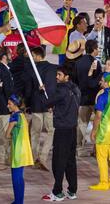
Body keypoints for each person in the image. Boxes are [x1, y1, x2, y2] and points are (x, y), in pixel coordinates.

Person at [39, 65, 80, 202]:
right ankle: (72, 190)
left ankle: (57, 192)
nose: (57, 77)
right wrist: (57, 109)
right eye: (57, 74)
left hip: (62, 130)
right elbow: (66, 105)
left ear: (66, 77)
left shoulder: (61, 90)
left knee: (58, 162)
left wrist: (41, 92)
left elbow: (46, 102)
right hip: (72, 129)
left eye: (60, 75)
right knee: (70, 161)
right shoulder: (75, 89)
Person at [90, 72, 110, 191]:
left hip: (104, 131)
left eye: (102, 80)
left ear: (107, 82)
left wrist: (94, 130)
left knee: (102, 158)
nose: (100, 82)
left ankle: (103, 182)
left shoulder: (103, 96)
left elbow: (98, 116)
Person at [6, 94, 33, 204]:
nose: (8, 106)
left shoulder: (14, 116)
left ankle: (18, 202)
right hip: (24, 149)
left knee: (16, 178)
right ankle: (19, 200)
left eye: (9, 104)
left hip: (17, 150)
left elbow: (7, 134)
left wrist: (11, 135)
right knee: (20, 177)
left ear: (15, 104)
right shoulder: (22, 115)